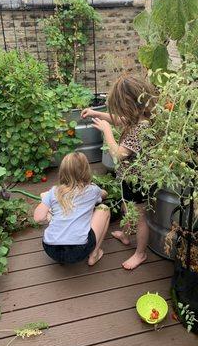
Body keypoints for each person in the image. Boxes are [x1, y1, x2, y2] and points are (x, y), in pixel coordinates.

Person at [81, 76, 156, 270]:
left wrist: (106, 131)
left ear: (130, 105)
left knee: (139, 216)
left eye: (120, 107)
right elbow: (118, 120)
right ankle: (125, 233)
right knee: (126, 206)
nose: (119, 113)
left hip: (138, 180)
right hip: (128, 177)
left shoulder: (141, 129)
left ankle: (140, 254)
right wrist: (95, 113)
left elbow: (118, 154)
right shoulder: (138, 118)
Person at [34, 152, 110, 266]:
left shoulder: (54, 191)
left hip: (51, 249)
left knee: (54, 213)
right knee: (104, 209)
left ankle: (62, 257)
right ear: (86, 170)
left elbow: (38, 218)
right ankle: (94, 254)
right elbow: (105, 194)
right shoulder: (92, 190)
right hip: (79, 250)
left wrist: (48, 205)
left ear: (63, 171)